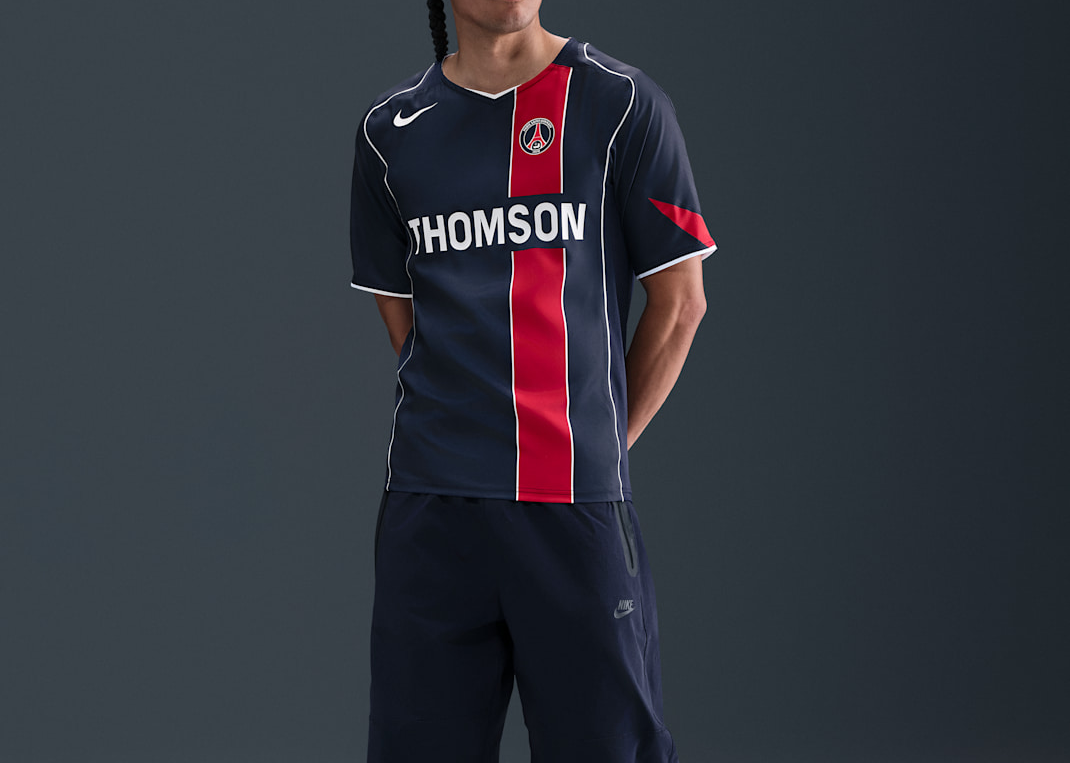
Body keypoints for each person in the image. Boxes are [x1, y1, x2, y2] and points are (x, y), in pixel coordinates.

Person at [348, 1, 715, 760]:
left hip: (574, 510)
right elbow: (406, 320)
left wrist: (594, 442)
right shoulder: (390, 131)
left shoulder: (621, 102)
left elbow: (680, 303)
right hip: (431, 511)